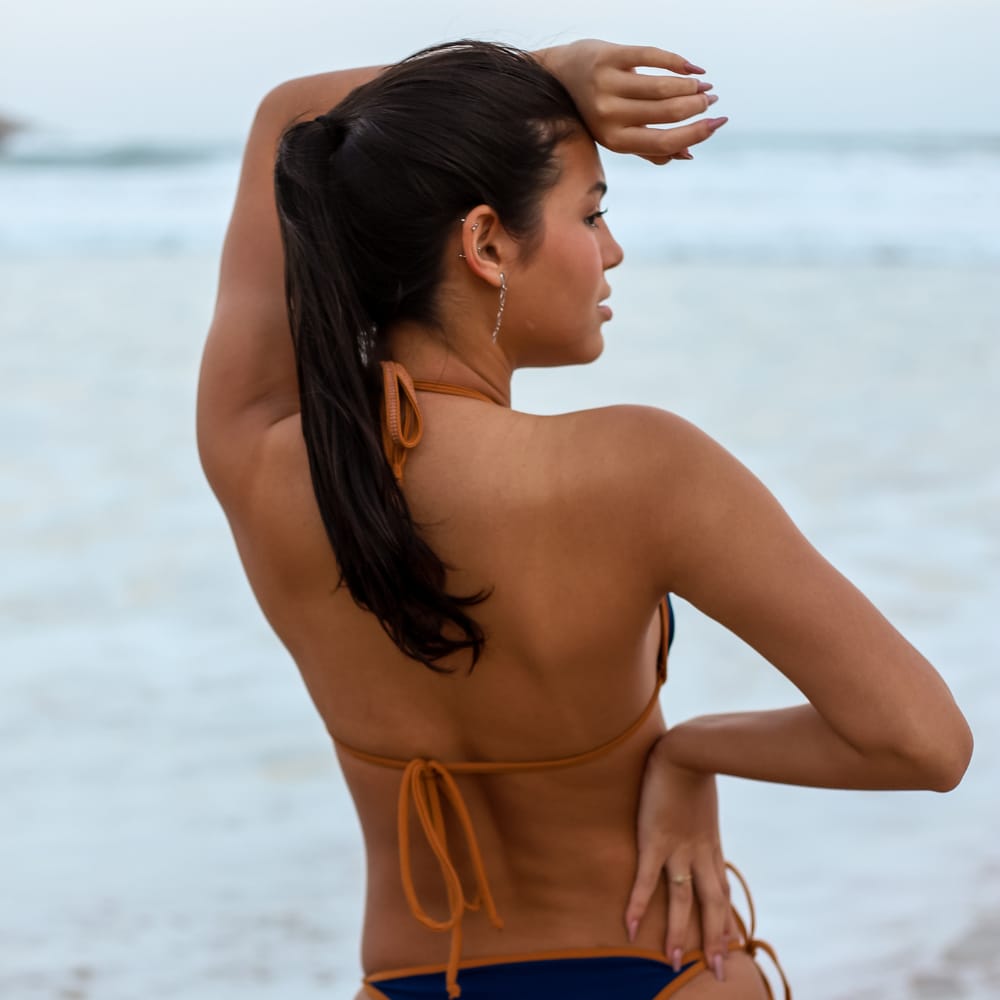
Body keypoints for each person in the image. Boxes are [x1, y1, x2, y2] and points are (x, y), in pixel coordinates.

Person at [196, 39, 973, 1000]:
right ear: (484, 244)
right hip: (662, 975)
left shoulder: (259, 453)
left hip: (409, 980)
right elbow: (924, 743)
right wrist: (690, 752)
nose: (611, 249)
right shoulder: (641, 467)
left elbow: (288, 119)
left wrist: (553, 73)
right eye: (592, 212)